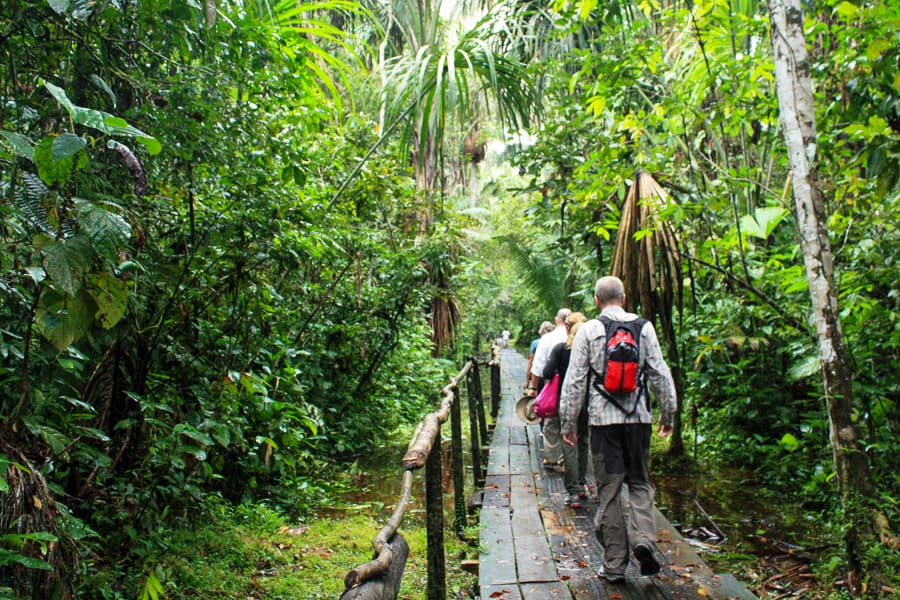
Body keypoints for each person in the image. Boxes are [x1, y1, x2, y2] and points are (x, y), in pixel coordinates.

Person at [559, 276, 676, 583]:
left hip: (603, 425)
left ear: (598, 301)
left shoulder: (589, 330)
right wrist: (669, 413)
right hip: (638, 421)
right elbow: (660, 372)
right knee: (639, 483)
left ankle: (614, 564)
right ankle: (643, 541)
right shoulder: (644, 327)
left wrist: (568, 422)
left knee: (609, 492)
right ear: (624, 297)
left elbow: (574, 381)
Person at [541, 312, 589, 507]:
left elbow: (547, 372)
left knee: (568, 441)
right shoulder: (591, 349)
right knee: (583, 441)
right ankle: (582, 483)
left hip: (566, 399)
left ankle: (573, 492)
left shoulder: (561, 349)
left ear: (568, 327)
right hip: (586, 401)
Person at [530, 307, 571, 469]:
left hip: (553, 385)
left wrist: (533, 388)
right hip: (575, 385)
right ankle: (566, 459)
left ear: (557, 320)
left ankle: (551, 457)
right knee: (569, 422)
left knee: (551, 421)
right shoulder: (577, 335)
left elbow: (538, 366)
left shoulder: (548, 338)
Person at [524, 321, 554, 394]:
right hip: (552, 375)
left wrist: (527, 381)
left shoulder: (536, 343)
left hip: (539, 375)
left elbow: (531, 363)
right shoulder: (555, 340)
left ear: (542, 330)